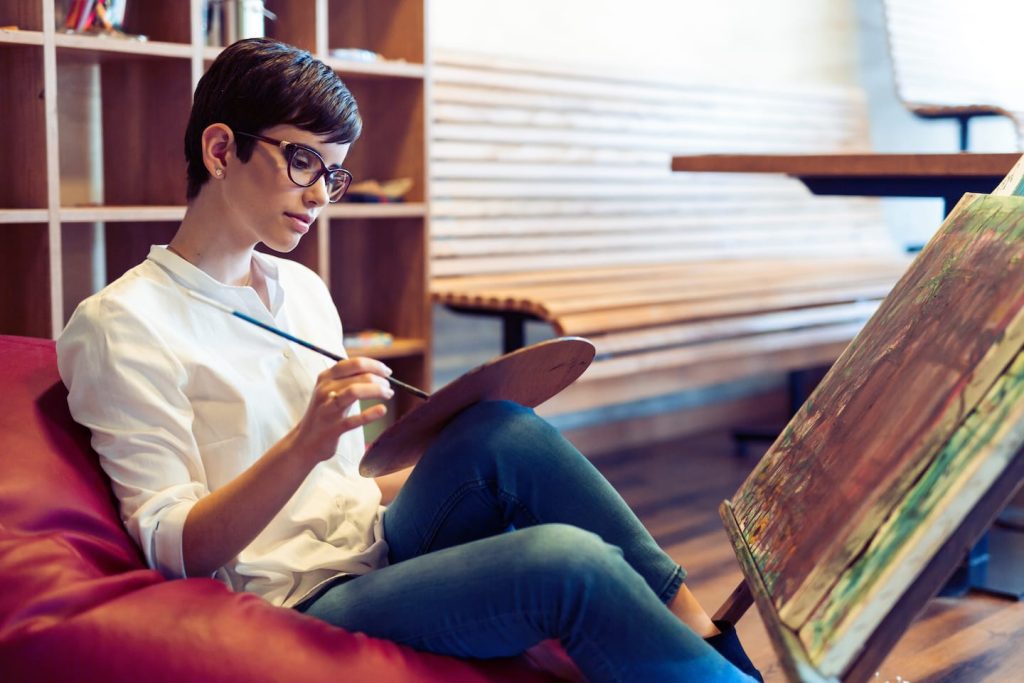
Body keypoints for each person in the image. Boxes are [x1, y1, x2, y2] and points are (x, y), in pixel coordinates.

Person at [56, 38, 762, 682]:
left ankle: (711, 645)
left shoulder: (301, 290)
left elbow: (343, 492)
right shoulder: (121, 324)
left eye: (333, 176)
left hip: (376, 545)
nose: (318, 196)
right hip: (302, 599)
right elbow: (173, 549)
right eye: (303, 160)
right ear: (219, 150)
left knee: (503, 429)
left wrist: (462, 448)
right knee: (566, 561)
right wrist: (306, 442)